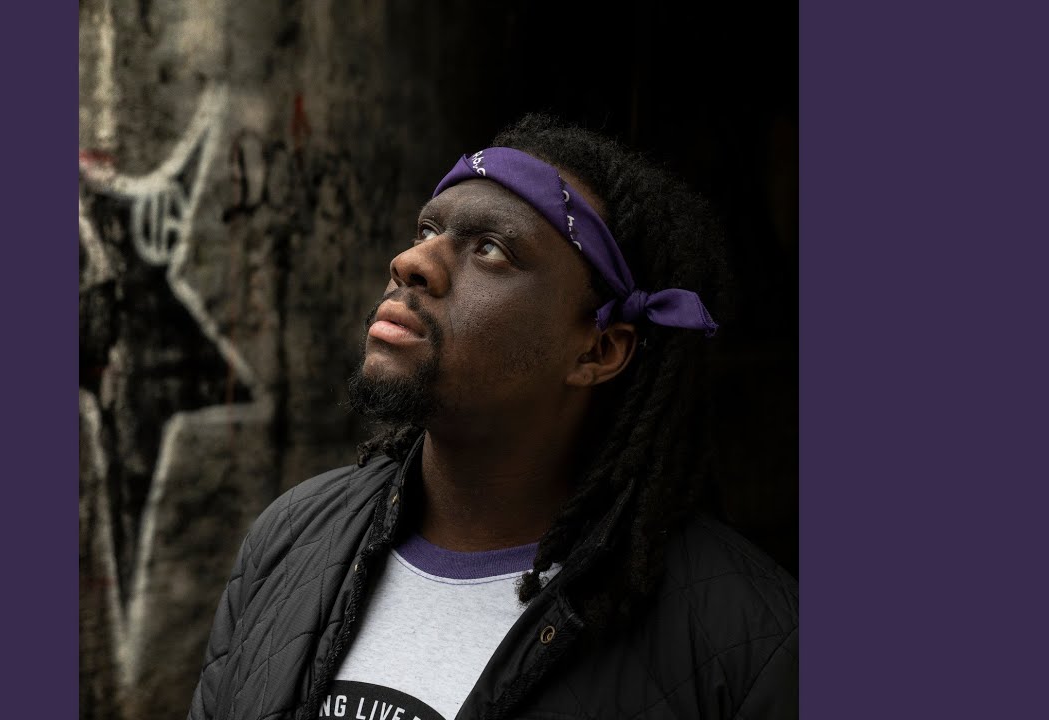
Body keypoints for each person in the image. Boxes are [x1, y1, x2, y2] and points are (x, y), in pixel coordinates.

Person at [187, 114, 797, 720]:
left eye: (490, 249)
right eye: (428, 230)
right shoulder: (291, 536)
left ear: (597, 351)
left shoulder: (751, 642)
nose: (411, 261)